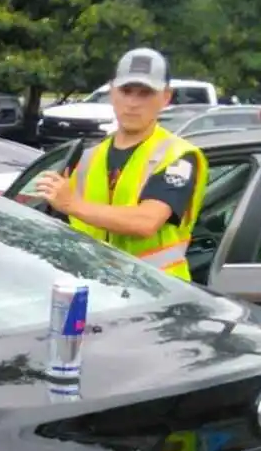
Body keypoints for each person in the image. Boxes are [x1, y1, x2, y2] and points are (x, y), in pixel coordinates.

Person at [33, 48, 208, 281]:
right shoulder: (88, 156)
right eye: (126, 91)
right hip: (95, 288)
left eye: (145, 93)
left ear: (166, 97)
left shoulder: (177, 157)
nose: (133, 103)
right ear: (112, 92)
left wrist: (71, 203)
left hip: (157, 292)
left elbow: (146, 222)